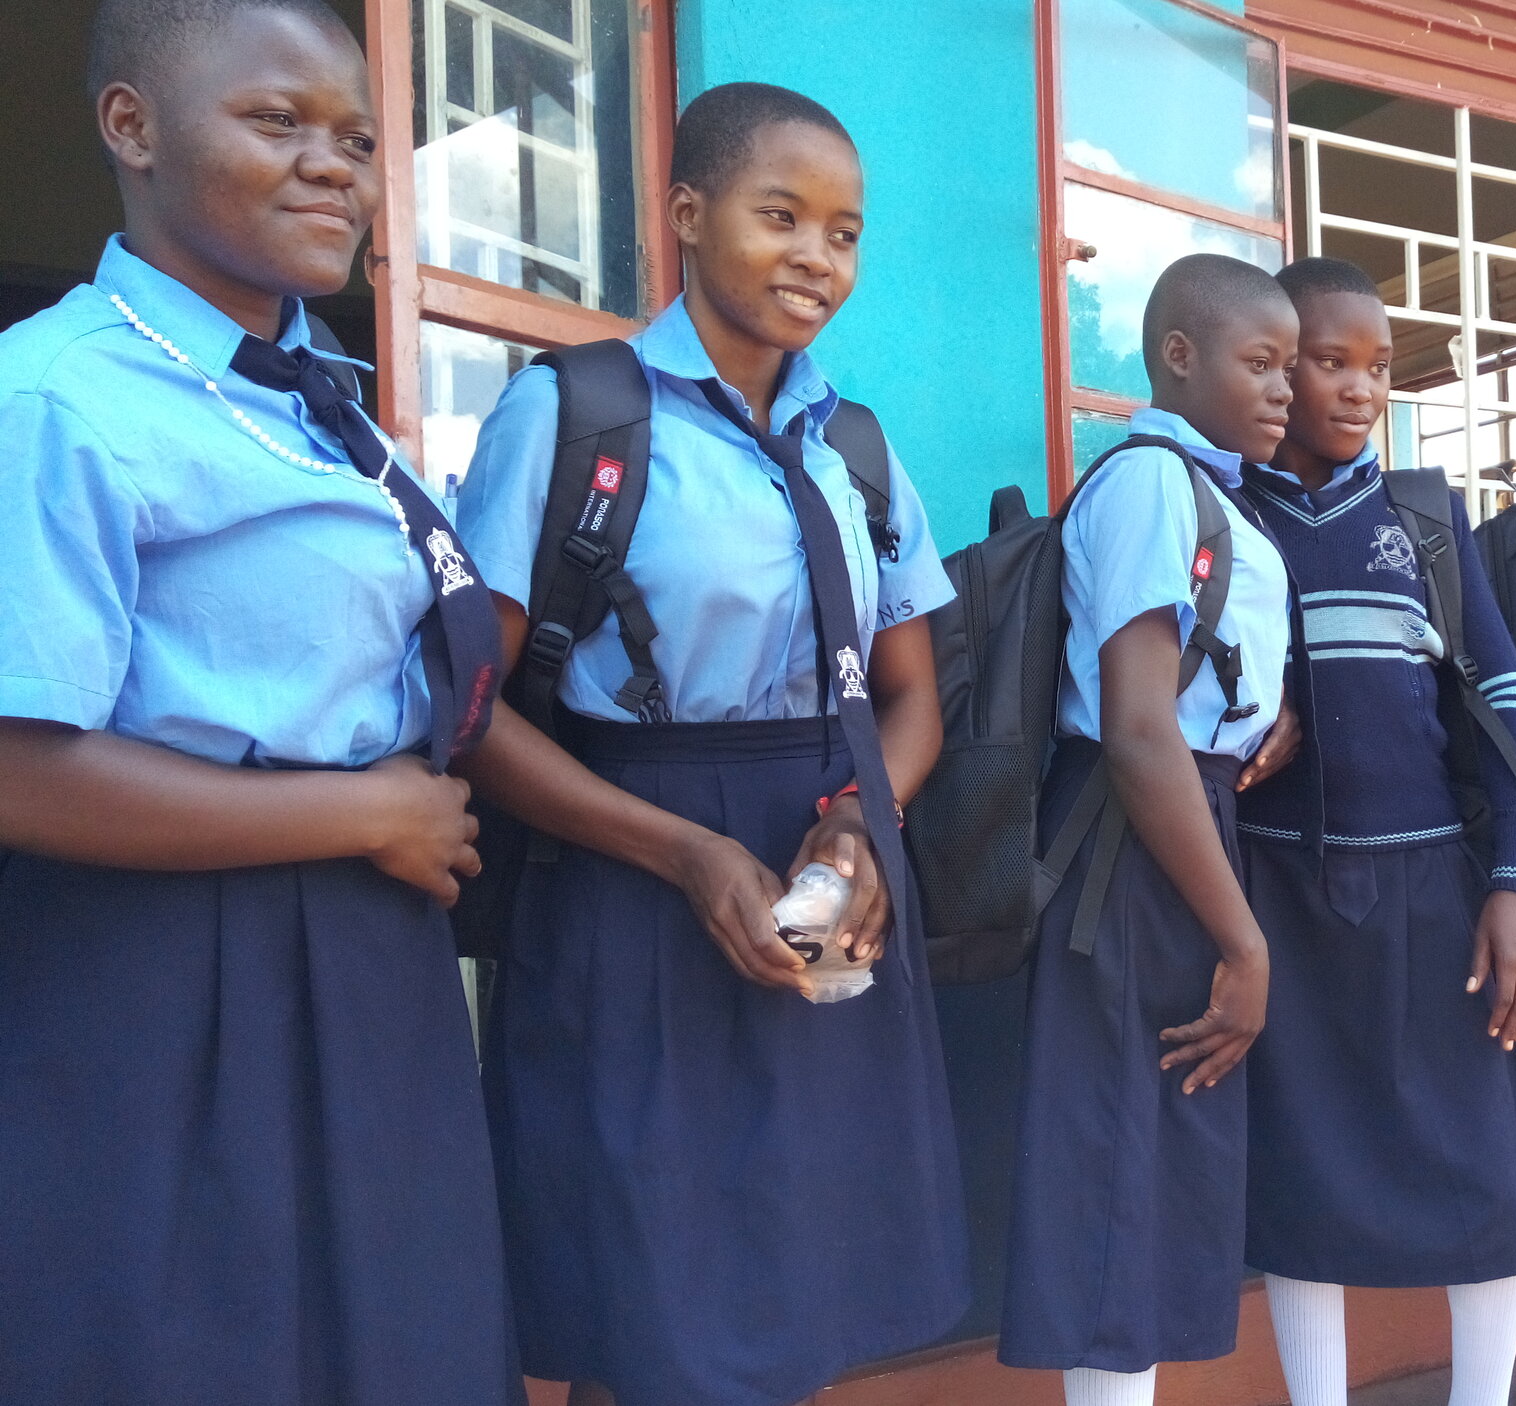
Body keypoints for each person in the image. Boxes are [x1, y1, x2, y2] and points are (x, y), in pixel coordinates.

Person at [0, 2, 514, 1401]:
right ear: (132, 127)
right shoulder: (56, 397)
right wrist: (359, 810)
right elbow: (20, 770)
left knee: (395, 1346)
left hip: (365, 948)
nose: (334, 166)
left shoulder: (317, 400)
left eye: (356, 137)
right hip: (163, 970)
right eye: (276, 122)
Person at [454, 82, 969, 1406]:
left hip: (824, 863)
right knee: (652, 1290)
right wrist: (683, 853)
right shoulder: (577, 416)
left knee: (794, 1273)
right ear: (686, 214)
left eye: (845, 232)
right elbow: (468, 709)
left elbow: (915, 692)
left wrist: (864, 819)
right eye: (780, 215)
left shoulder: (854, 440)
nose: (818, 257)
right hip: (631, 873)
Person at [1234, 256, 1516, 1406]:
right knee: (1306, 1173)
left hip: (1441, 893)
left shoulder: (1424, 520)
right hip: (1281, 894)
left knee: (1481, 1168)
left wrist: (1515, 881)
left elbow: (1510, 701)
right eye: (1325, 361)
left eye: (1376, 366)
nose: (1354, 388)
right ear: (1268, 368)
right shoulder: (1226, 514)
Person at [997, 252, 1301, 1406]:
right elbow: (1135, 727)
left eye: (1287, 364)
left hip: (1184, 827)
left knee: (1158, 1165)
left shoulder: (1215, 494)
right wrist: (1246, 941)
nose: (1283, 389)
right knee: (1119, 1166)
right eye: (1258, 362)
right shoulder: (1150, 484)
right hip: (1132, 848)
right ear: (1178, 356)